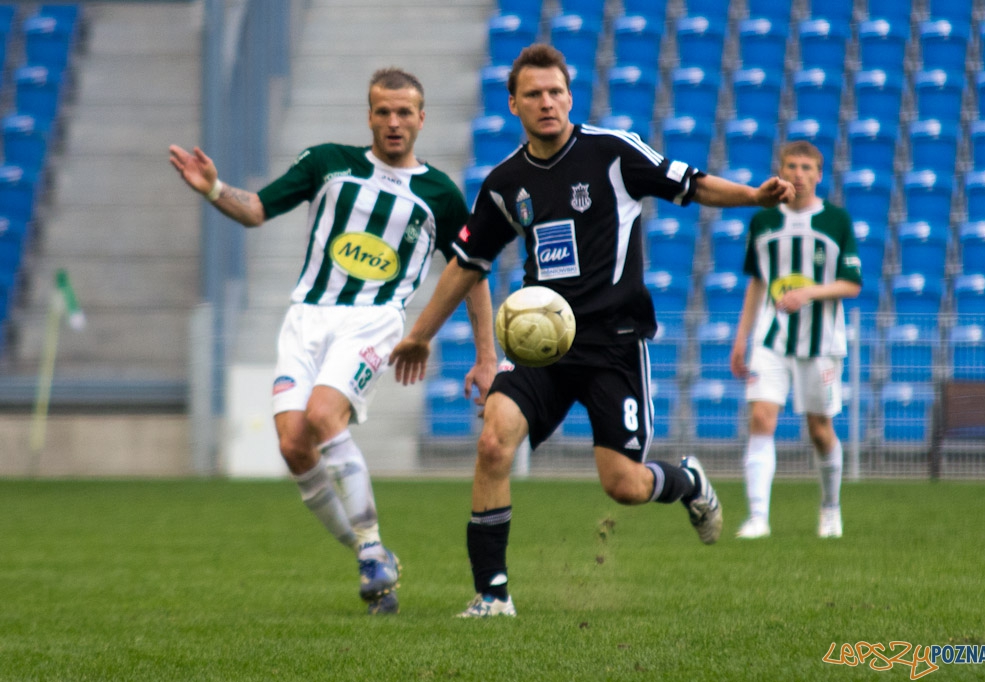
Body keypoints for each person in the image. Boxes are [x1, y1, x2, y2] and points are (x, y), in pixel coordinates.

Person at [390, 44, 795, 618]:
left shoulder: (611, 152)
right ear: (513, 104)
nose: (546, 102)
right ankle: (492, 594)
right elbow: (466, 263)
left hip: (614, 343)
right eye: (533, 94)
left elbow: (691, 183)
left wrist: (752, 197)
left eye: (556, 92)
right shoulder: (506, 182)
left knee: (624, 485)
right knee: (492, 441)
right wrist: (421, 333)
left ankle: (688, 482)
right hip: (541, 344)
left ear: (570, 96)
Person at [169, 68, 497, 614]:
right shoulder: (327, 162)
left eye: (404, 112)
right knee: (294, 444)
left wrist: (486, 355)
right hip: (307, 317)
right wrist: (213, 189)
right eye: (383, 112)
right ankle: (371, 553)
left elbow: (473, 271)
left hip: (374, 321)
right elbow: (256, 209)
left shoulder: (439, 193)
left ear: (422, 117)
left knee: (324, 417)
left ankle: (370, 549)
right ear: (368, 116)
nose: (393, 123)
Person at [729, 141, 862, 540]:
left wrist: (808, 293)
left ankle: (830, 508)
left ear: (819, 174)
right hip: (771, 339)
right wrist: (741, 338)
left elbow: (852, 284)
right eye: (792, 166)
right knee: (761, 418)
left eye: (807, 167)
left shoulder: (836, 220)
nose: (799, 174)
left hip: (820, 343)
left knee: (820, 429)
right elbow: (757, 281)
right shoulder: (764, 221)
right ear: (780, 171)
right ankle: (757, 517)